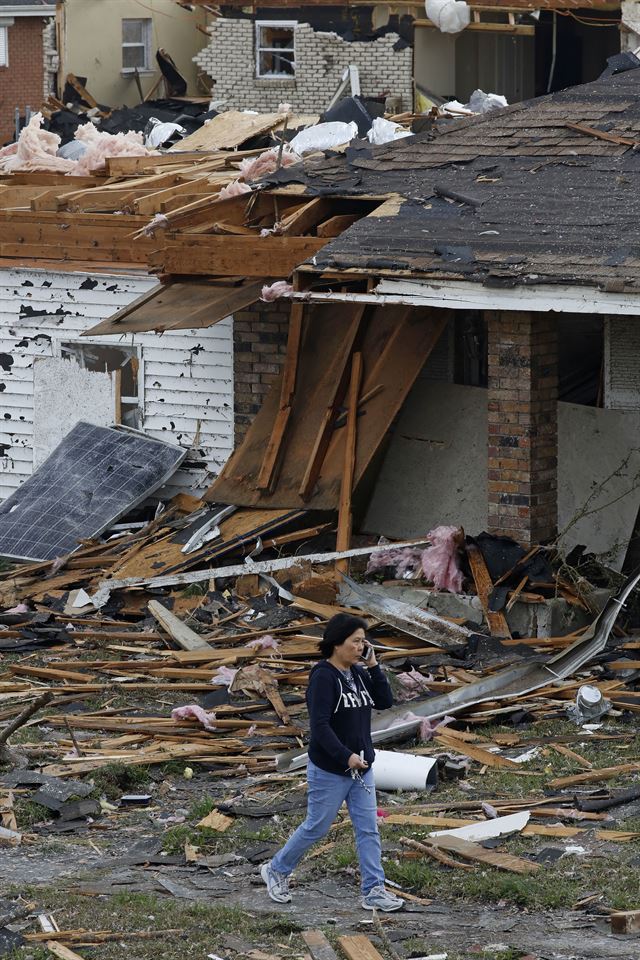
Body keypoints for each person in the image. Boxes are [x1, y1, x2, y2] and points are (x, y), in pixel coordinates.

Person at [261, 613, 404, 912]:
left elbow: (385, 701)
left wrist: (374, 667)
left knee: (368, 829)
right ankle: (276, 869)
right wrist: (345, 757)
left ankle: (374, 889)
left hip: (362, 767)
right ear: (337, 642)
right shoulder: (323, 677)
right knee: (317, 826)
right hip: (331, 768)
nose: (361, 647)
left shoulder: (358, 673)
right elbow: (320, 727)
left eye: (363, 642)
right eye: (356, 642)